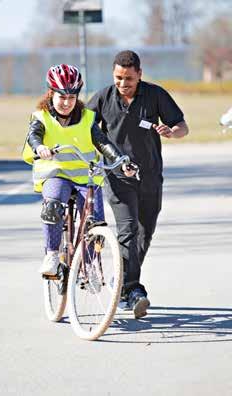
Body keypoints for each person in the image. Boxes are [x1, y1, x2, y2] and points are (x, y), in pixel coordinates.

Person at [87, 50, 189, 318]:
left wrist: (172, 132)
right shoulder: (102, 98)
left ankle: (122, 282)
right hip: (118, 177)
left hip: (150, 176)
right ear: (113, 74)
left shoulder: (155, 95)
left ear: (139, 74)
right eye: (119, 78)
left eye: (129, 78)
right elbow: (85, 128)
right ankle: (133, 289)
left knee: (146, 232)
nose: (123, 84)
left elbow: (182, 126)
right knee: (128, 229)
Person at [22, 64, 135, 277]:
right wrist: (40, 147)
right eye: (61, 97)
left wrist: (121, 161)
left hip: (86, 177)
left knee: (96, 220)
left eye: (71, 97)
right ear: (51, 93)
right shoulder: (41, 117)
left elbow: (102, 143)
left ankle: (91, 264)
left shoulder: (86, 118)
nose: (66, 103)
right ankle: (53, 255)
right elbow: (33, 136)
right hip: (56, 174)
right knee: (53, 205)